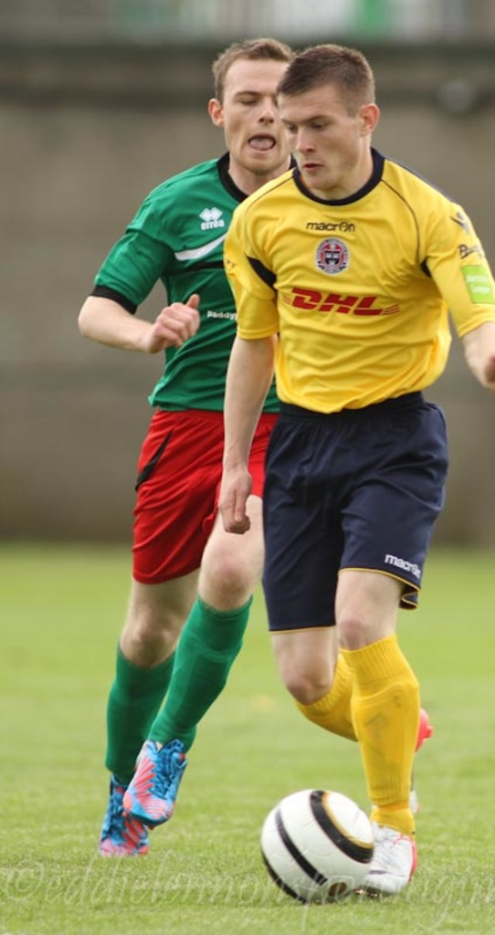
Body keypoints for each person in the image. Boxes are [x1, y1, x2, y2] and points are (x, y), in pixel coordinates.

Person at [219, 44, 495, 896]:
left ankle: (394, 832)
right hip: (297, 445)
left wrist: (490, 363)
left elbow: (478, 316)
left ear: (367, 118)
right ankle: (399, 719)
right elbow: (253, 345)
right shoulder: (262, 221)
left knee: (363, 625)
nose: (299, 143)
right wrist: (233, 464)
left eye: (318, 124)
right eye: (288, 128)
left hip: (393, 441)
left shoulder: (430, 214)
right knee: (303, 678)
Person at [78, 38, 295, 857]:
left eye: (279, 98)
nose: (265, 113)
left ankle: (163, 755)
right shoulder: (179, 203)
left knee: (235, 565)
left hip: (289, 428)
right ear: (220, 113)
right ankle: (119, 792)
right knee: (147, 634)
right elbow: (96, 309)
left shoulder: (333, 202)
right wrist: (147, 333)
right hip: (187, 427)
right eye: (247, 99)